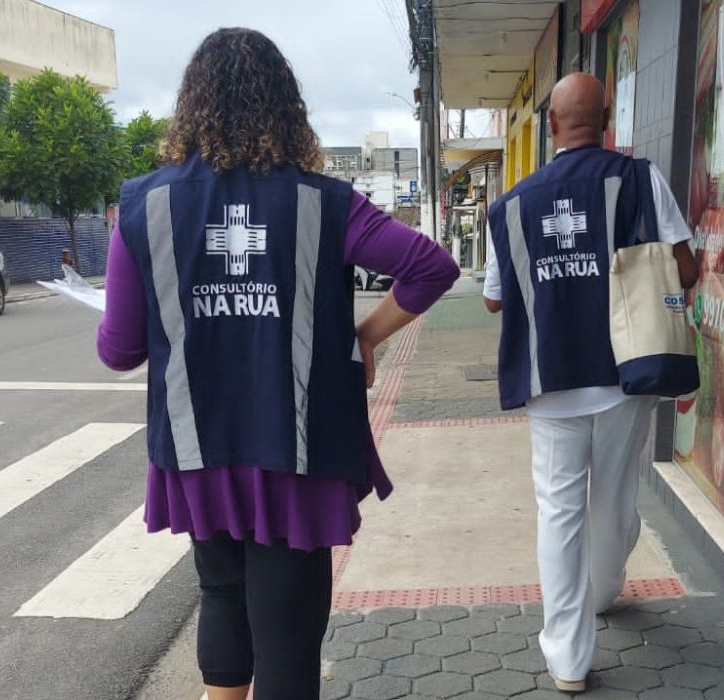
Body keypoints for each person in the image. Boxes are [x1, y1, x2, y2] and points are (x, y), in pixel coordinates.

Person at [96, 28, 458, 700]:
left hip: (198, 446)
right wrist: (368, 336)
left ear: (189, 106)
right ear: (285, 107)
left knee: (222, 597)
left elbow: (118, 351)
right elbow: (429, 266)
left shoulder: (143, 205)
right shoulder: (324, 202)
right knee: (289, 631)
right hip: (296, 449)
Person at [483, 72, 698, 692]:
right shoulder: (640, 179)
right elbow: (682, 268)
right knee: (611, 497)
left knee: (559, 512)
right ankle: (605, 591)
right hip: (625, 377)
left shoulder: (512, 204)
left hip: (549, 384)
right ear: (608, 120)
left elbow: (496, 301)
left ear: (550, 126)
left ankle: (569, 659)